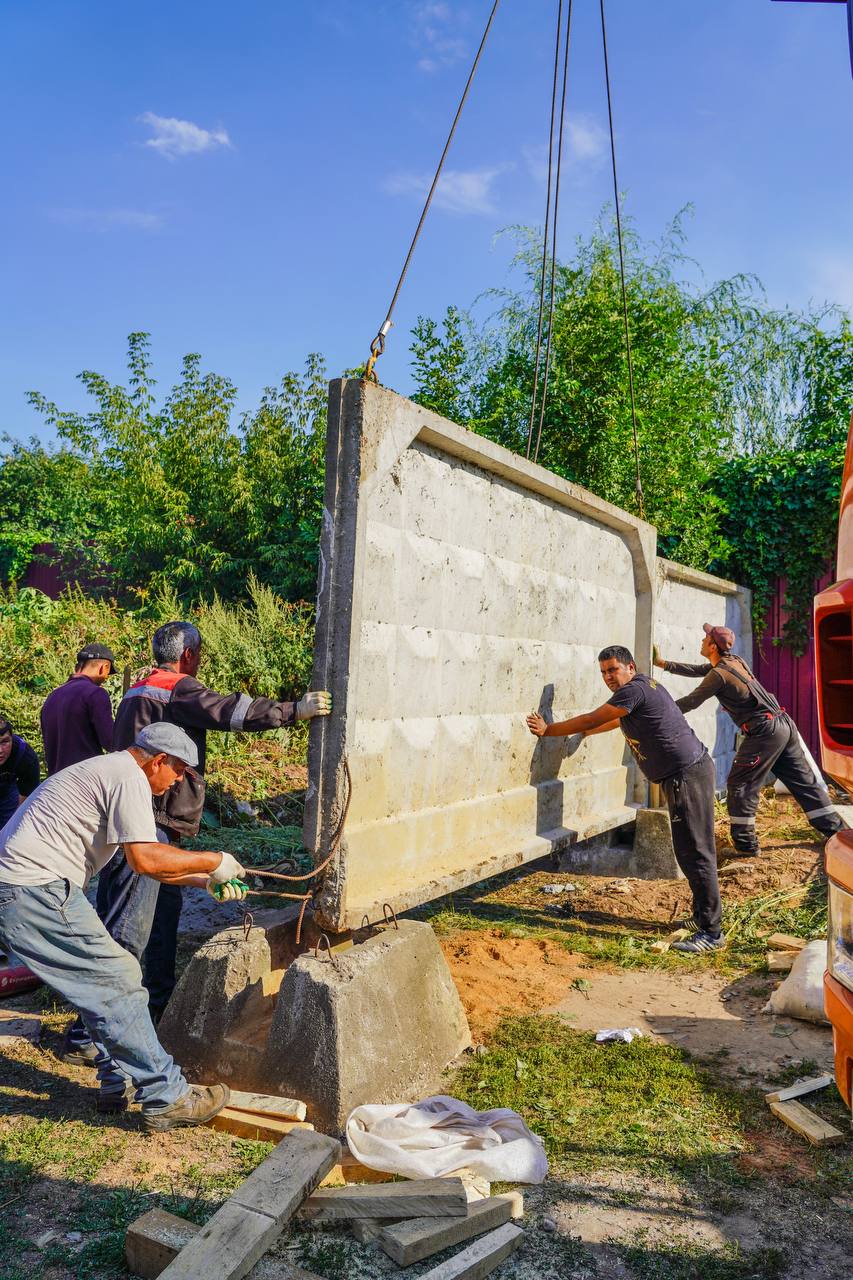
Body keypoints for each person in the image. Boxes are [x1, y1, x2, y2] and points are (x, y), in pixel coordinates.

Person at [64, 620, 332, 1068]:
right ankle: (87, 1036)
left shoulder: (136, 690)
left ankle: (154, 1009)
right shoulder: (176, 687)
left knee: (159, 921)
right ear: (188, 654)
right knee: (129, 930)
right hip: (147, 821)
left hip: (146, 819)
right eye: (199, 655)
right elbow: (230, 711)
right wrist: (294, 710)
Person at [0, 722, 247, 1130]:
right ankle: (167, 1096)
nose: (176, 783)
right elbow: (146, 860)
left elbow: (151, 862)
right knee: (118, 976)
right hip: (34, 887)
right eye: (179, 771)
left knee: (99, 982)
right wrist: (212, 859)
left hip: (22, 885)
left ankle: (119, 1081)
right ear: (160, 761)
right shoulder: (130, 777)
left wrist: (204, 880)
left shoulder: (112, 770)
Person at [527, 644, 724, 954]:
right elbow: (615, 720)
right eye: (604, 672)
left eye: (613, 670)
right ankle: (702, 917)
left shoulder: (632, 690)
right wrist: (590, 734)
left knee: (695, 851)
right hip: (686, 773)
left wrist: (549, 730)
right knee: (688, 850)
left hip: (686, 775)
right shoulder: (642, 688)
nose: (608, 677)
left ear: (629, 667)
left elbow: (593, 717)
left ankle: (712, 933)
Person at [654, 623, 843, 857]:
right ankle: (837, 832)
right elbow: (701, 670)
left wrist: (658, 711)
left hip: (765, 731)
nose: (702, 640)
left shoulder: (720, 674)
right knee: (803, 782)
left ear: (713, 646)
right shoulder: (734, 662)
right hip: (783, 725)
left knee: (740, 783)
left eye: (706, 638)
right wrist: (663, 664)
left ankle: (745, 847)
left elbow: (692, 701)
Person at [40, 643, 116, 775]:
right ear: (104, 667)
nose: (106, 678)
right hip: (83, 780)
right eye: (108, 673)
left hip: (55, 783)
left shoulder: (52, 696)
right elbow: (111, 742)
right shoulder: (95, 693)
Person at [0, 719, 40, 829]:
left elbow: (26, 799)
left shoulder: (25, 756)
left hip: (8, 793)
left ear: (12, 738)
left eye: (5, 742)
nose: (0, 750)